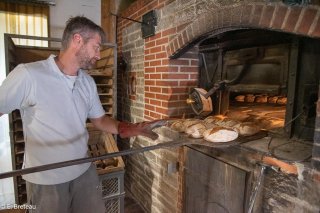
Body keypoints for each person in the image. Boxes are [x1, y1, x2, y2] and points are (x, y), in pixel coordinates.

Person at [0, 16, 165, 213]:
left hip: (83, 170)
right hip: (46, 179)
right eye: (96, 47)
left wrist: (127, 128)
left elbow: (100, 119)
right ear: (78, 40)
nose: (98, 54)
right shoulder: (28, 75)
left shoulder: (87, 82)